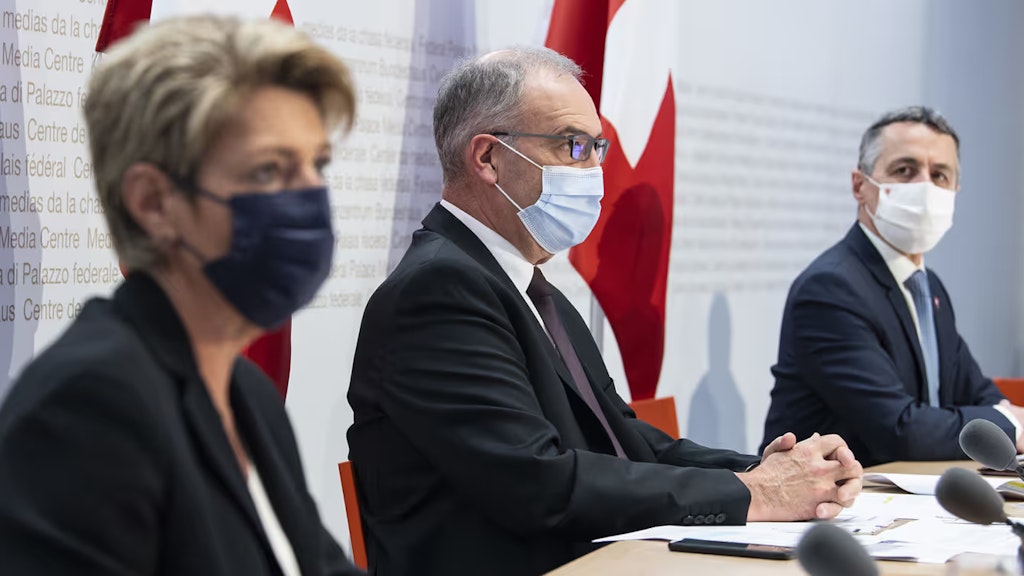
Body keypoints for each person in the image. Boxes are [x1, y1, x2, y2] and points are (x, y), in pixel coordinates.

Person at [347, 46, 862, 576]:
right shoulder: (438, 290)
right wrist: (757, 492)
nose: (595, 169)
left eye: (598, 147)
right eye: (573, 145)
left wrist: (763, 471)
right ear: (488, 159)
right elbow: (537, 482)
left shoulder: (524, 286)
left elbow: (622, 439)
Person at [0, 16, 362, 576]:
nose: (311, 196)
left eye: (317, 164)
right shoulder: (88, 406)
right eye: (270, 169)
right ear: (153, 202)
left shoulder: (246, 394)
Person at [761, 106, 1024, 468]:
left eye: (940, 175)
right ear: (860, 186)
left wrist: (1006, 417)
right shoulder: (830, 289)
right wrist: (1011, 425)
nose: (925, 187)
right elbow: (900, 431)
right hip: (834, 496)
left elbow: (975, 390)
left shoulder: (928, 286)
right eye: (905, 170)